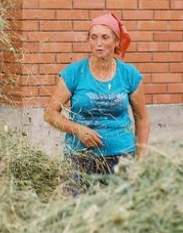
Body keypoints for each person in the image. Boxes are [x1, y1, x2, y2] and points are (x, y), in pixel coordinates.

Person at [45, 12, 149, 192]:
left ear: (116, 42)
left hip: (121, 158)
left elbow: (142, 118)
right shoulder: (74, 73)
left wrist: (139, 159)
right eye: (93, 37)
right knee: (80, 212)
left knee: (118, 215)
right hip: (80, 158)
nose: (98, 43)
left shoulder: (129, 75)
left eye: (104, 37)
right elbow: (50, 113)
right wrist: (78, 130)